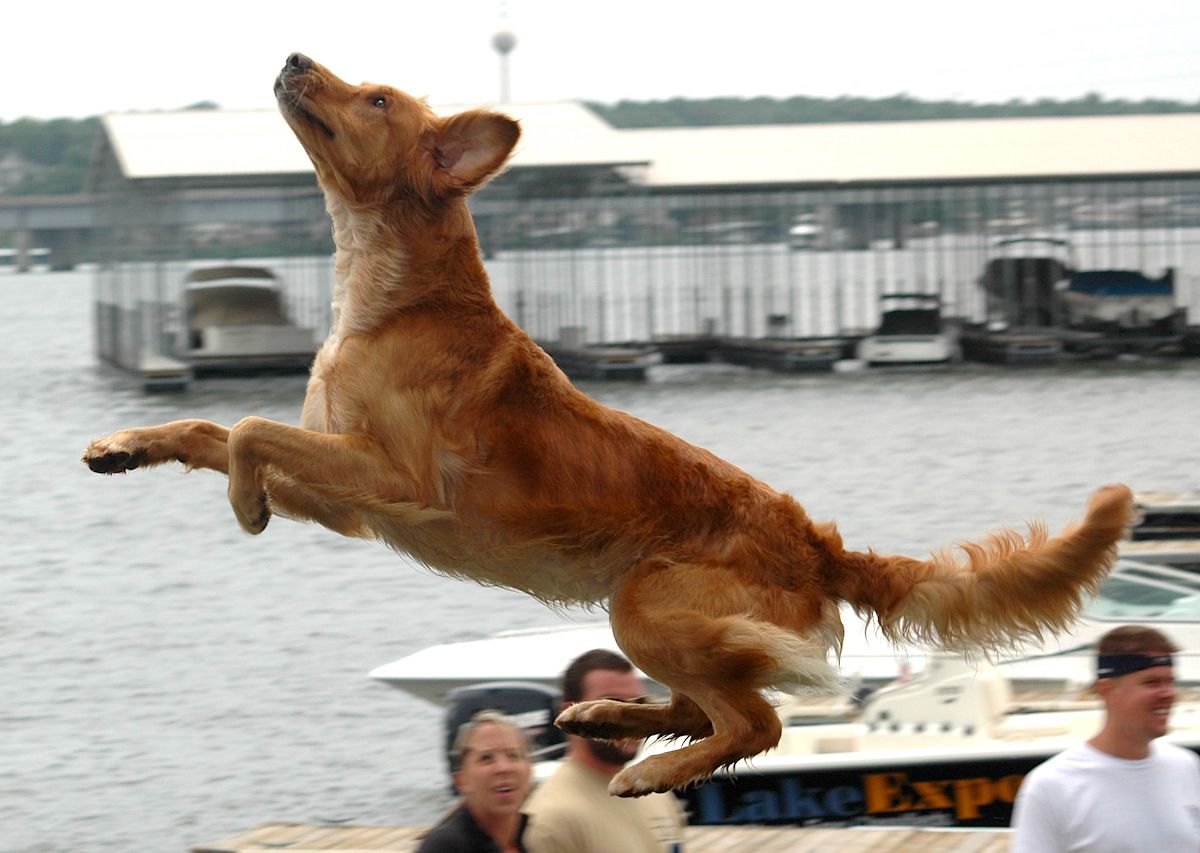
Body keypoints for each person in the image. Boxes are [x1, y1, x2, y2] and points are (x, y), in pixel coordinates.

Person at [1011, 625, 1200, 852]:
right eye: (1151, 683)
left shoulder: (1185, 766)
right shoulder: (1050, 786)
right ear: (1107, 689)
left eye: (1170, 682)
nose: (1169, 694)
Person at [523, 649, 686, 853]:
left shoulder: (655, 794)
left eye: (640, 704)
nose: (632, 717)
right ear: (570, 714)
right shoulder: (551, 821)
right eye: (613, 704)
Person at [417, 710, 533, 853]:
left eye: (513, 755)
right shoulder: (444, 847)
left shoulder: (532, 840)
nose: (504, 768)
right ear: (461, 781)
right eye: (486, 758)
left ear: (530, 771)